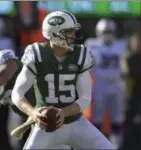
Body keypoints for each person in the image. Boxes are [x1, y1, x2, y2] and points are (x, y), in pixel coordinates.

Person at [11, 10, 114, 149]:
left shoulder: (80, 55)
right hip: (45, 128)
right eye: (69, 31)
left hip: (76, 124)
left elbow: (85, 98)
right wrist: (33, 113)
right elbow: (17, 93)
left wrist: (63, 112)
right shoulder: (36, 55)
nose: (74, 35)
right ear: (55, 33)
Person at [85, 18, 127, 147]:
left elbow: (125, 67)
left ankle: (115, 147)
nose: (107, 34)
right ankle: (98, 146)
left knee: (117, 119)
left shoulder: (121, 44)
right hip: (99, 86)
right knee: (97, 119)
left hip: (117, 86)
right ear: (99, 31)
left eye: (110, 31)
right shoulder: (91, 44)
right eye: (105, 31)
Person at [120, 33, 141, 150]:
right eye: (135, 43)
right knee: (129, 123)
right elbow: (125, 73)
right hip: (130, 97)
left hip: (138, 98)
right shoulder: (128, 58)